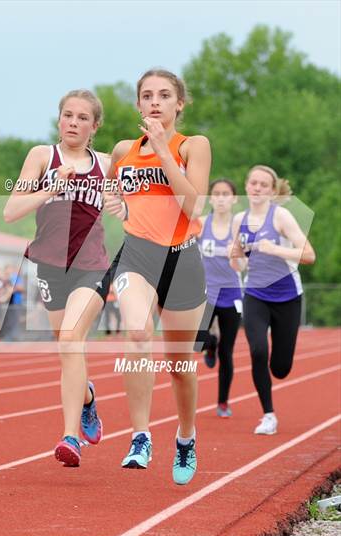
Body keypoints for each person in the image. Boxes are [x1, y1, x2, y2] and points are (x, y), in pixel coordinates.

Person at [105, 68, 211, 485]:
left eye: (164, 95)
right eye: (147, 95)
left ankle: (186, 436)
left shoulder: (193, 146)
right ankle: (140, 435)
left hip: (182, 260)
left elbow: (193, 207)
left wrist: (164, 151)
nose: (154, 102)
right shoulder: (122, 150)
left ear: (178, 104)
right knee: (135, 332)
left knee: (180, 365)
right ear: (137, 104)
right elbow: (110, 187)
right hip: (138, 256)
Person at [4, 89, 110, 467]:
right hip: (50, 266)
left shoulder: (107, 164)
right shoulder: (42, 156)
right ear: (59, 119)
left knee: (70, 340)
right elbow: (11, 211)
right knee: (68, 351)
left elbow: (139, 202)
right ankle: (88, 399)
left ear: (94, 126)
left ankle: (69, 437)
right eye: (68, 115)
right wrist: (51, 187)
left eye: (82, 118)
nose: (73, 123)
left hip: (92, 266)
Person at [230, 165, 315, 435]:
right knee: (257, 351)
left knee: (280, 367)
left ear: (272, 190)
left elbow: (309, 255)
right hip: (255, 294)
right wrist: (235, 256)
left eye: (263, 185)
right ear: (246, 186)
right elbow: (239, 264)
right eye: (253, 183)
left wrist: (275, 249)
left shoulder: (281, 216)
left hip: (288, 296)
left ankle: (279, 367)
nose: (257, 188)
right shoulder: (238, 220)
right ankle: (268, 415)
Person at [194, 179, 242, 418]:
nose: (221, 198)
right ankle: (210, 344)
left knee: (228, 353)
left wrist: (239, 256)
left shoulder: (240, 227)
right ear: (210, 198)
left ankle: (223, 402)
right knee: (197, 340)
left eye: (226, 194)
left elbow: (245, 264)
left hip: (232, 294)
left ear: (234, 198)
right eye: (217, 194)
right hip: (206, 292)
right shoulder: (202, 224)